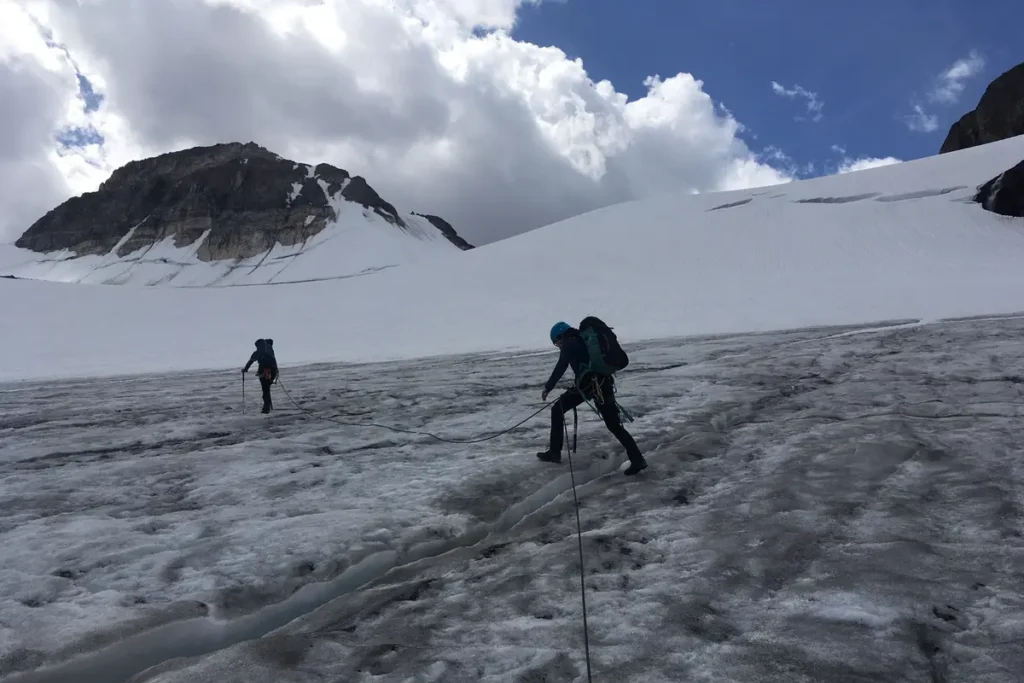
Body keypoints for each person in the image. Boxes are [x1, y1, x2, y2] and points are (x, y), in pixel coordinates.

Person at [538, 321, 648, 475]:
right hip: (603, 384)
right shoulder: (583, 339)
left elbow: (561, 365)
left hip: (590, 386)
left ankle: (554, 453)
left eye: (557, 343)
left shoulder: (570, 343)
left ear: (561, 336)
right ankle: (637, 459)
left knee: (558, 409)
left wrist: (548, 387)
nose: (559, 346)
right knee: (614, 426)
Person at [243, 338, 278, 413]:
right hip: (270, 372)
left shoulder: (258, 353)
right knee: (266, 389)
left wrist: (245, 369)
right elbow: (274, 362)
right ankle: (267, 405)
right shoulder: (269, 351)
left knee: (265, 389)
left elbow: (250, 361)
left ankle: (266, 407)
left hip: (265, 372)